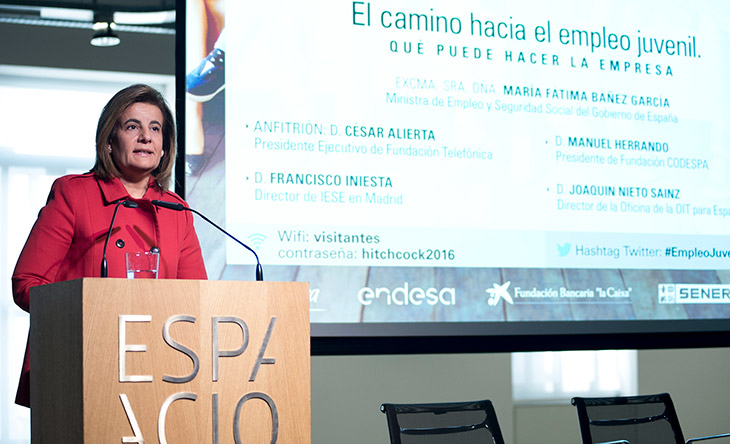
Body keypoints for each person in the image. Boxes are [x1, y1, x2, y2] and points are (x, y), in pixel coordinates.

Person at [11, 84, 208, 407]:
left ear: (164, 146)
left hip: (157, 368)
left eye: (155, 129)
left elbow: (196, 298)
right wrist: (90, 310)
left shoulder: (178, 210)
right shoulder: (74, 194)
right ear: (109, 141)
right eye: (132, 127)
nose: (145, 137)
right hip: (80, 360)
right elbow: (27, 283)